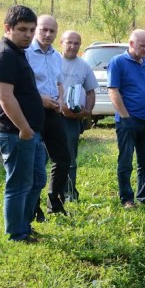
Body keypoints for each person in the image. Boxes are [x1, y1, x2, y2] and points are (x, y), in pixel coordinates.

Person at [0, 5, 46, 242]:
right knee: (19, 184)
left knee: (37, 180)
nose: (29, 35)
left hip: (28, 132)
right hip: (15, 132)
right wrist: (24, 129)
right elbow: (5, 97)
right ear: (7, 28)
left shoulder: (17, 52)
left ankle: (24, 224)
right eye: (22, 29)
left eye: (32, 30)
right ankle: (16, 234)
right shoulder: (4, 55)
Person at [107, 29, 145, 208]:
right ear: (131, 44)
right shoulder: (118, 62)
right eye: (142, 45)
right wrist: (125, 117)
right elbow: (113, 90)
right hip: (128, 121)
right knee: (126, 162)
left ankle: (144, 196)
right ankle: (127, 198)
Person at [26, 14, 71, 216]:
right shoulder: (26, 53)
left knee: (63, 159)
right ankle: (33, 207)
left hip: (53, 112)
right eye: (43, 29)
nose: (47, 34)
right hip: (33, 111)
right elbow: (23, 87)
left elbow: (59, 83)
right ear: (36, 29)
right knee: (35, 162)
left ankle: (55, 203)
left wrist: (60, 99)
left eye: (52, 31)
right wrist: (40, 99)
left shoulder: (56, 56)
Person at [59, 30, 98, 202]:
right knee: (43, 159)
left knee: (70, 158)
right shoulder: (53, 61)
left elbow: (90, 92)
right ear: (61, 43)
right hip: (51, 116)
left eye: (76, 43)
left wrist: (87, 112)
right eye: (69, 42)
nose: (73, 46)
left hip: (72, 119)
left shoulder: (84, 66)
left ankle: (69, 194)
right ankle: (47, 195)